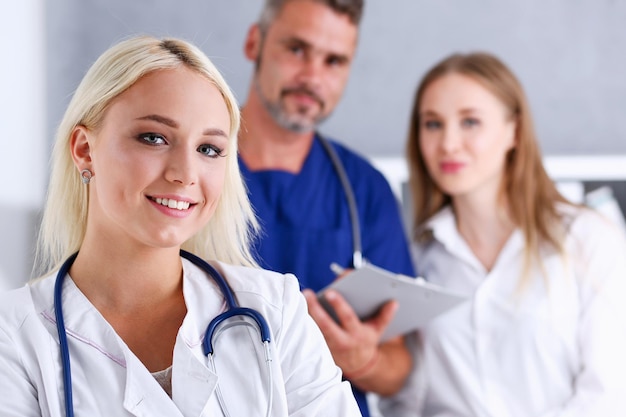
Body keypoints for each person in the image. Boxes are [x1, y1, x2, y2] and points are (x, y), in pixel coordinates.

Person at [0, 35, 362, 417]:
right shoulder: (13, 334)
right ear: (85, 150)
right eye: (154, 138)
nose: (185, 174)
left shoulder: (276, 312)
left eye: (208, 149)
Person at [379, 52, 626, 417]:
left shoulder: (587, 239)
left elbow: (609, 396)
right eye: (432, 124)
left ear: (514, 130)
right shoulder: (419, 259)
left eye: (470, 122)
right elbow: (409, 401)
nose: (448, 143)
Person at [238, 0, 415, 415]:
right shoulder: (191, 171)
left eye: (334, 61)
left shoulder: (364, 189)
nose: (312, 77)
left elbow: (399, 365)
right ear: (254, 42)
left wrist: (364, 360)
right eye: (296, 49)